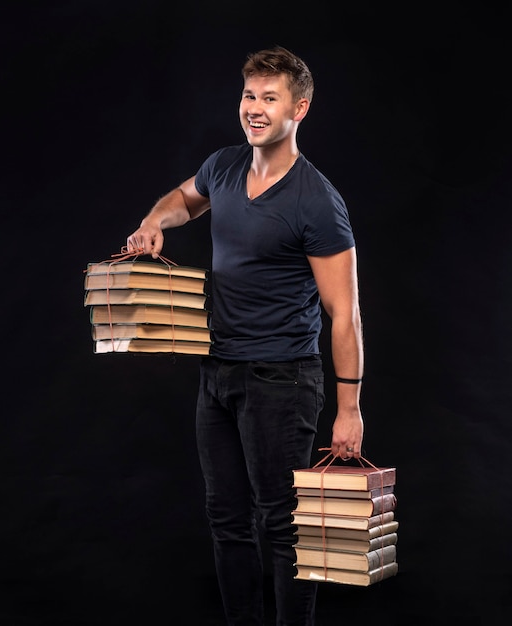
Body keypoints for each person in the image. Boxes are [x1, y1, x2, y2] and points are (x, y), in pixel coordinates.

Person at [127, 45, 364, 626]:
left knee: (283, 523)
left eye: (269, 98)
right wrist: (154, 221)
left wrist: (350, 407)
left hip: (282, 379)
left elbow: (345, 313)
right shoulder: (226, 165)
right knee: (226, 519)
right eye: (248, 96)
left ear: (299, 108)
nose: (254, 109)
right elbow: (185, 199)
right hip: (218, 371)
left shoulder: (317, 201)